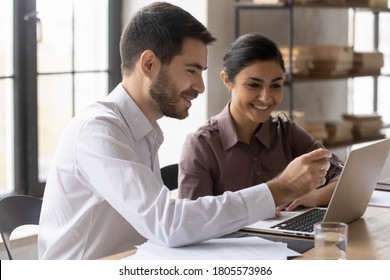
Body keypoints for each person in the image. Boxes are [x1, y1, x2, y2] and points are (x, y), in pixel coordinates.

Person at [38, 2, 332, 260]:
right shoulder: (99, 130)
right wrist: (278, 189)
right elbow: (167, 223)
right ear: (149, 64)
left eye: (201, 73)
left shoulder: (144, 131)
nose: (201, 87)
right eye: (192, 71)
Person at [178, 33, 342, 211]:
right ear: (227, 80)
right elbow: (192, 220)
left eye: (275, 85)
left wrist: (315, 196)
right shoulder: (201, 145)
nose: (266, 98)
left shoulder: (285, 131)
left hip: (287, 235)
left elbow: (343, 175)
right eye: (254, 85)